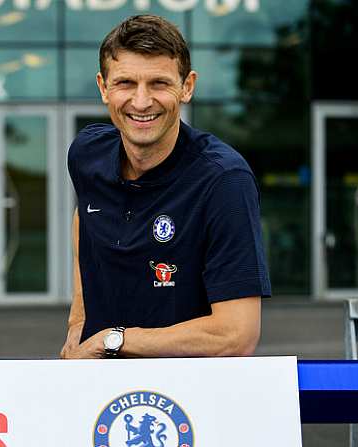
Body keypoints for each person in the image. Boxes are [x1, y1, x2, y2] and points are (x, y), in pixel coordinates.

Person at [60, 15, 270, 359]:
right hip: (95, 384)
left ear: (187, 86)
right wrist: (78, 321)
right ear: (103, 87)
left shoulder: (223, 180)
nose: (141, 102)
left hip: (188, 394)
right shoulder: (86, 153)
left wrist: (114, 340)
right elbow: (85, 215)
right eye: (126, 83)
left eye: (159, 83)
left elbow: (237, 335)